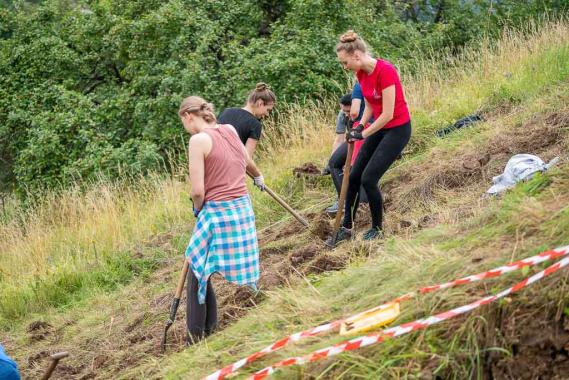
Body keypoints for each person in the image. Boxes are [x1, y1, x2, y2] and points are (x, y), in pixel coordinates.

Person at [179, 96, 265, 344]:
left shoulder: (198, 141)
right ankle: (209, 329)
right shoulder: (228, 129)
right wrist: (258, 177)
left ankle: (195, 337)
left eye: (182, 122)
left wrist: (197, 209)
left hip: (218, 212)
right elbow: (247, 161)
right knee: (201, 269)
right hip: (242, 209)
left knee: (196, 268)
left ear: (188, 116)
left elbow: (197, 191)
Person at [332, 30, 411, 242]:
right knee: (354, 176)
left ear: (356, 56)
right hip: (378, 126)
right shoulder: (361, 73)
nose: (344, 67)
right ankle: (347, 227)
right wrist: (361, 126)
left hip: (397, 129)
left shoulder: (386, 71)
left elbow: (387, 114)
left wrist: (363, 133)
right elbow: (369, 103)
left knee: (368, 179)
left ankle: (377, 228)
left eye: (344, 62)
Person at [325, 83, 370, 216]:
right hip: (352, 140)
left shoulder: (362, 111)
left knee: (358, 169)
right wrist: (331, 161)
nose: (346, 114)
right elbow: (339, 139)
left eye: (348, 111)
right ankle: (344, 201)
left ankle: (363, 204)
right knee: (334, 163)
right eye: (344, 111)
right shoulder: (342, 114)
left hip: (366, 134)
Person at [218, 83, 276, 159]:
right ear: (260, 103)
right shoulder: (255, 124)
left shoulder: (227, 111)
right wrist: (257, 171)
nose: (267, 114)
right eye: (268, 110)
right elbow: (246, 160)